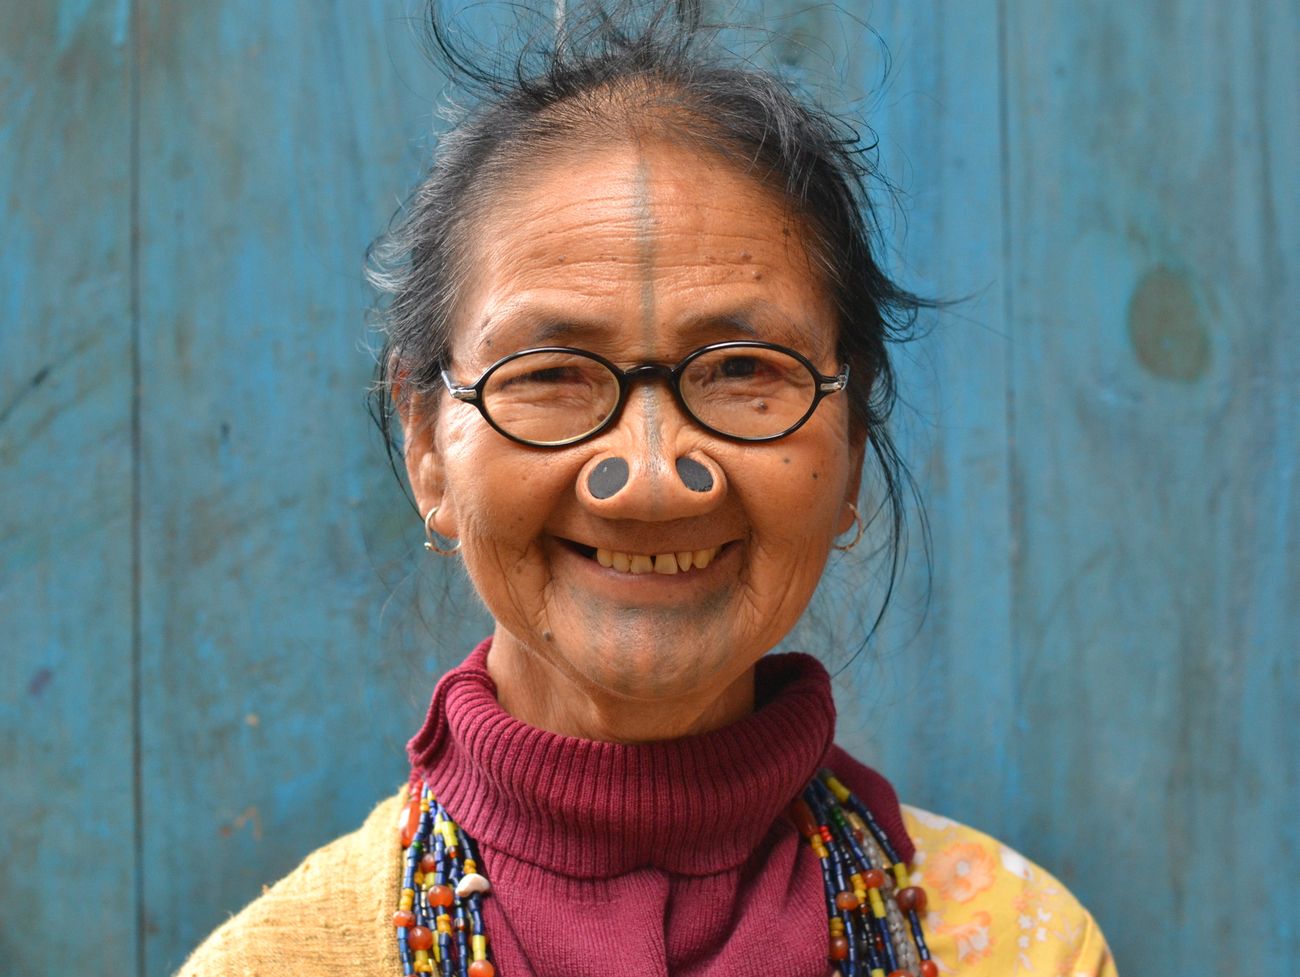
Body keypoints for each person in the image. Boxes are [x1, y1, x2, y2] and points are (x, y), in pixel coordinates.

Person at [180, 3, 1116, 975]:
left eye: (743, 370)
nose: (652, 477)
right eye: (547, 374)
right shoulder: (281, 960)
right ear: (426, 443)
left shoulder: (1017, 946)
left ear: (850, 442)